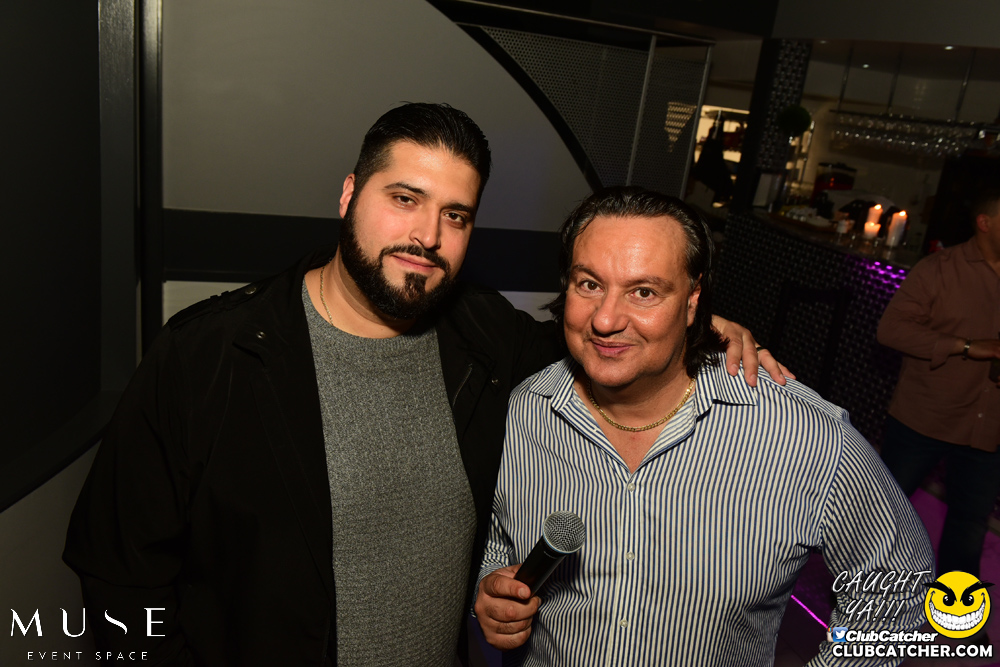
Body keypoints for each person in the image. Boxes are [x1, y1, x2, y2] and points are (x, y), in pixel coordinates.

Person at [63, 104, 782, 666]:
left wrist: (695, 326)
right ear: (349, 194)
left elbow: (603, 339)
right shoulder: (208, 354)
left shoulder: (484, 335)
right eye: (405, 198)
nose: (427, 235)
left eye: (455, 215)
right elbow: (118, 577)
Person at [475, 187, 934, 666]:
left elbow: (899, 584)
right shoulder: (526, 412)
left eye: (644, 292)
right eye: (589, 284)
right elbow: (492, 540)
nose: (605, 319)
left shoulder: (801, 434)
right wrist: (490, 587)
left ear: (693, 301)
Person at [877, 185, 1000, 579]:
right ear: (985, 223)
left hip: (987, 428)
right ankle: (858, 598)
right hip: (924, 420)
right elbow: (891, 330)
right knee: (884, 519)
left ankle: (957, 610)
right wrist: (965, 346)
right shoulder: (939, 269)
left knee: (969, 530)